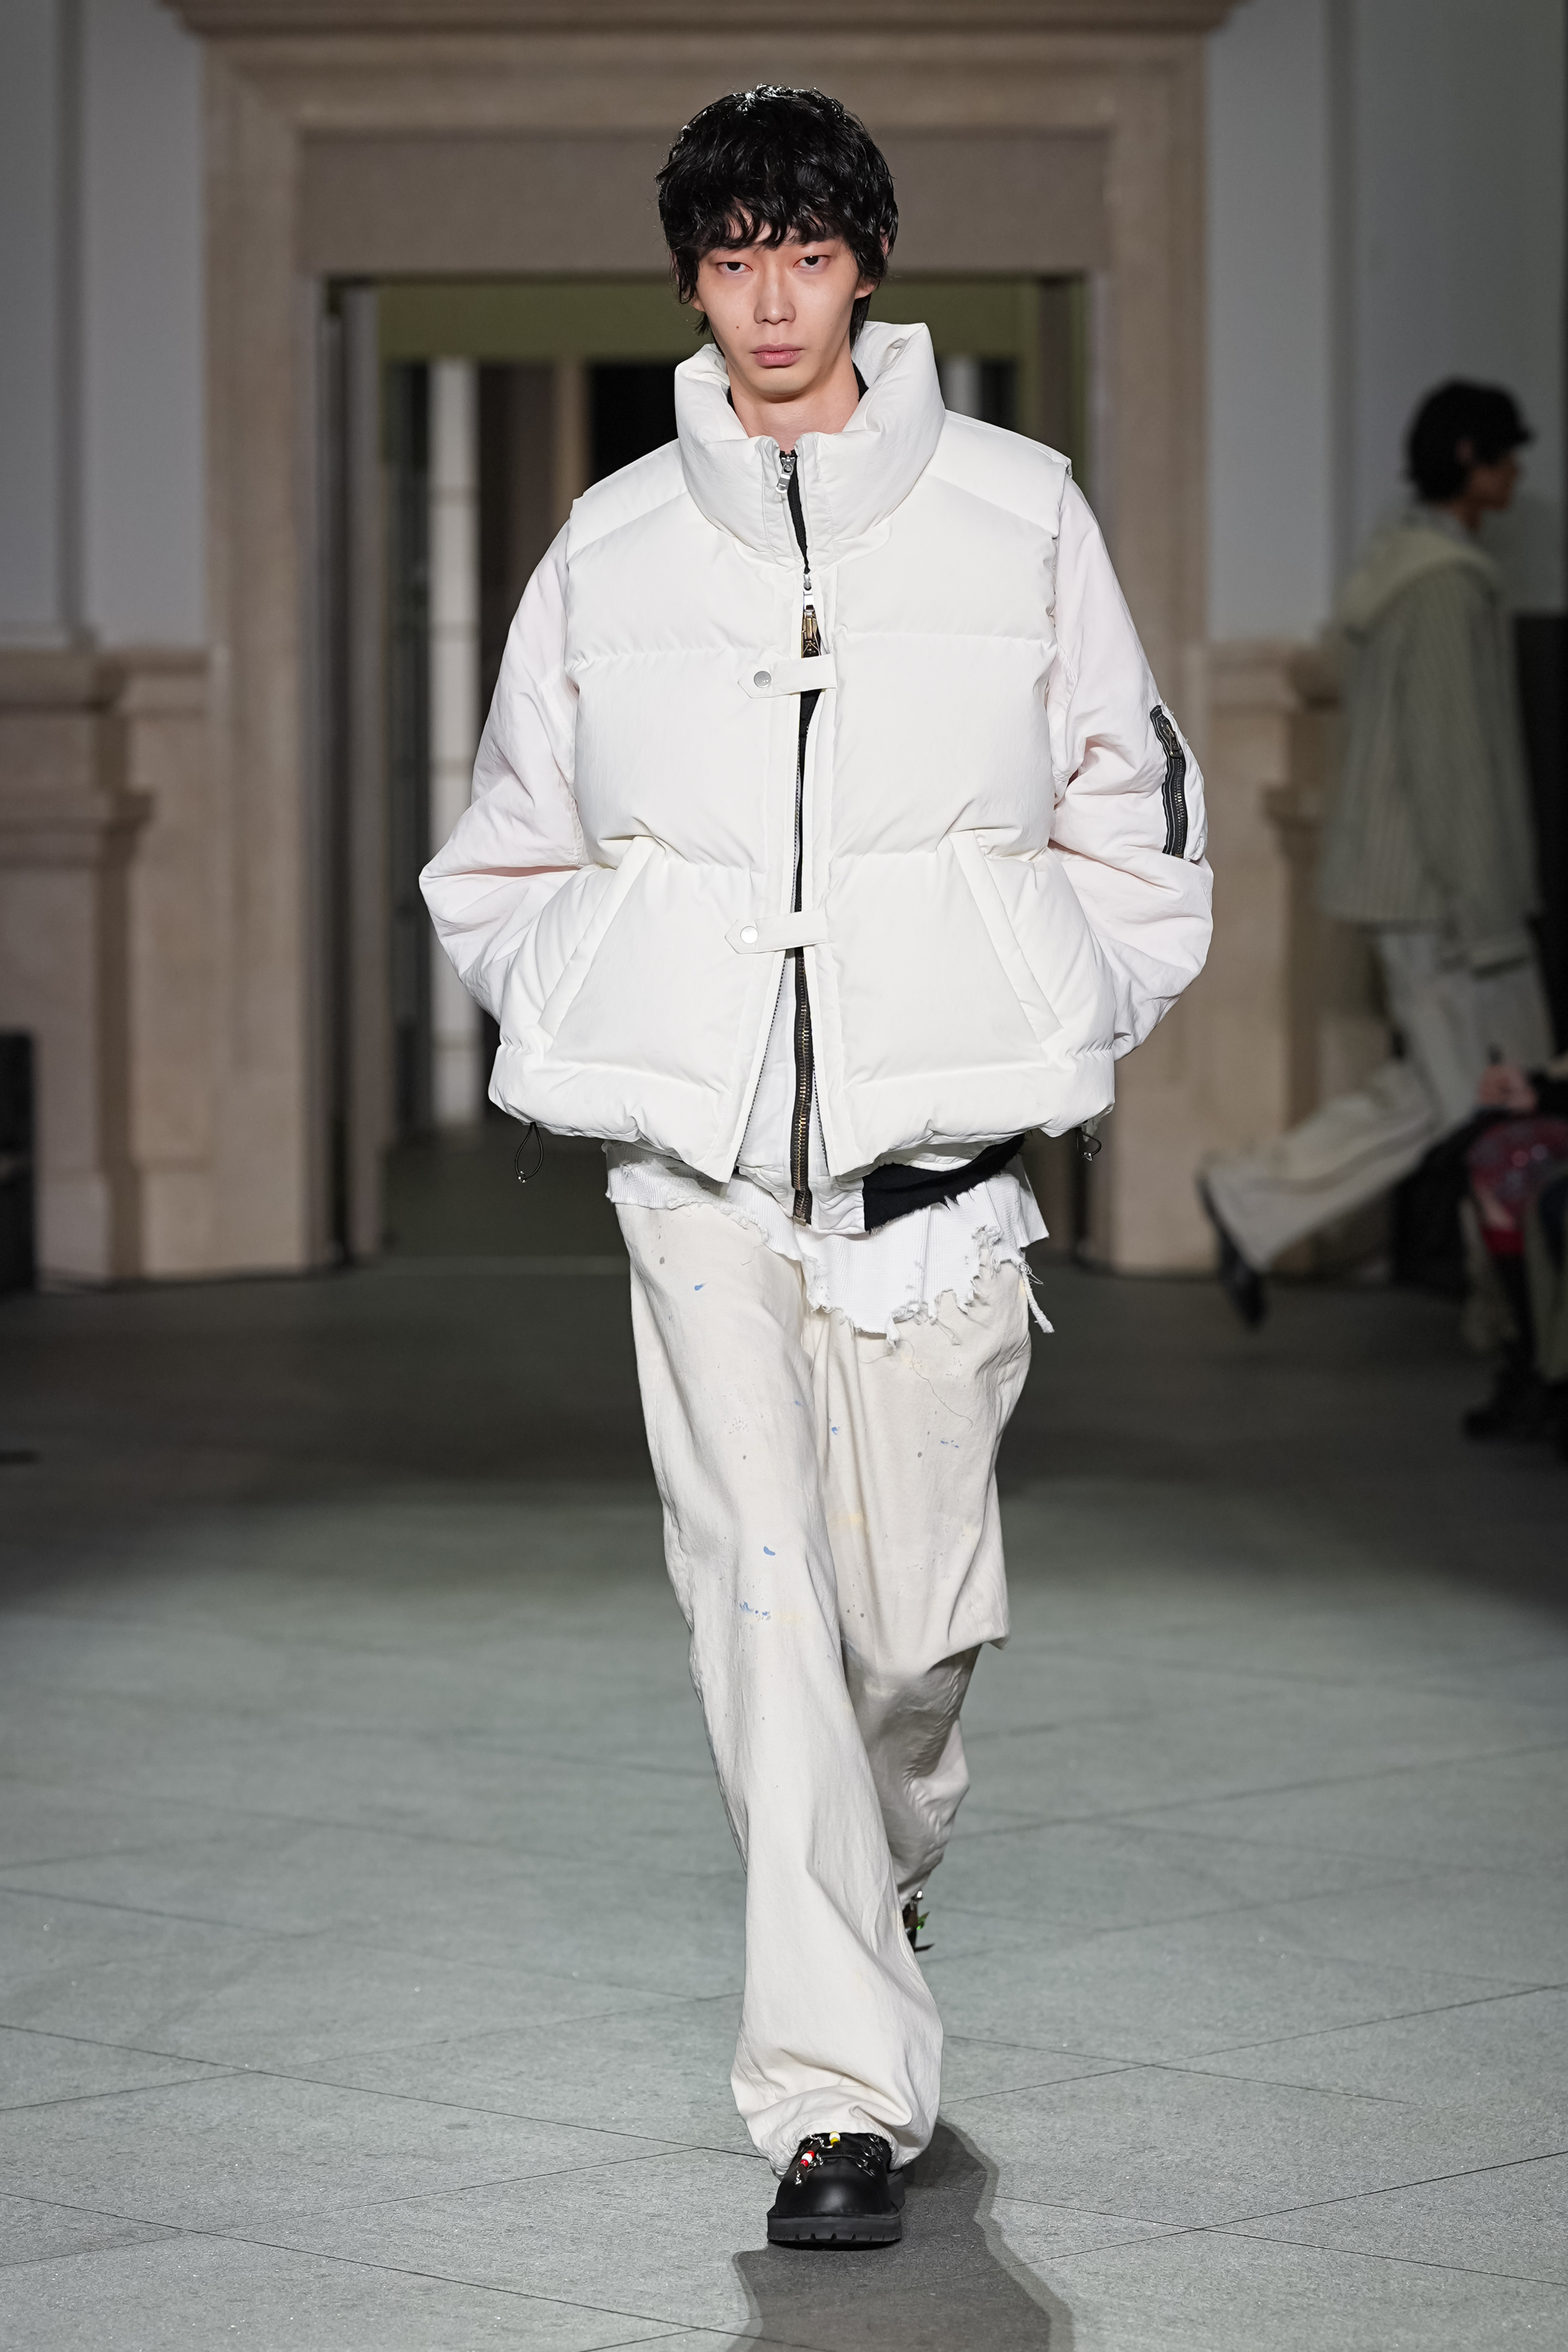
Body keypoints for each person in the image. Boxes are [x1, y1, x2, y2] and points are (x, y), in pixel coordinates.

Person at [422, 86, 1212, 2247]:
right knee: (761, 1613)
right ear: (690, 285)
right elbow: (501, 854)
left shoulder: (1017, 513)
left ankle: (879, 1882)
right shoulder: (608, 546)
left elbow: (1134, 820)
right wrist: (617, 1020)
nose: (769, 301)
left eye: (804, 254)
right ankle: (832, 2103)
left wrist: (1037, 1008)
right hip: (698, 1188)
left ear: (864, 266)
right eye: (730, 260)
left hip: (936, 1189)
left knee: (907, 1649)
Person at [1200, 380, 1553, 1325]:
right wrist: (1489, 916)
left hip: (1417, 894)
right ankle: (1520, 1327)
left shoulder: (1406, 569)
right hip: (1444, 901)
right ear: (1471, 459)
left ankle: (1253, 1199)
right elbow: (1454, 765)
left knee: (1452, 1095)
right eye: (1507, 454)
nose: (1518, 473)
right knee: (1502, 1107)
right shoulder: (1442, 586)